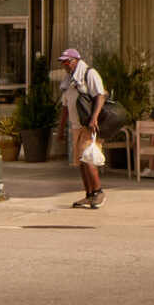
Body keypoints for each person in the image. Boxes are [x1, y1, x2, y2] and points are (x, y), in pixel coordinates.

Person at [57, 45, 108, 209]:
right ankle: (89, 195)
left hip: (88, 125)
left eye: (67, 62)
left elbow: (100, 95)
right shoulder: (68, 80)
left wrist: (94, 118)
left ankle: (99, 191)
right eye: (63, 63)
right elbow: (65, 106)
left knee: (89, 158)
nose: (65, 65)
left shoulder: (89, 74)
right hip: (76, 126)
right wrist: (61, 128)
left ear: (76, 60)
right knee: (81, 161)